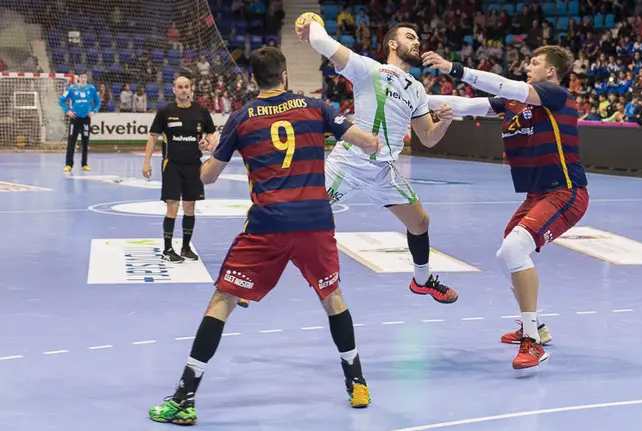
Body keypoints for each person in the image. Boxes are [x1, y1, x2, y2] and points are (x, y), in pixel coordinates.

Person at [148, 46, 382, 425]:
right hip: (314, 220)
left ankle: (184, 398)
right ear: (285, 74)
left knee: (223, 300)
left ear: (253, 79)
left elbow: (208, 177)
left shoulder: (241, 119)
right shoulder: (316, 107)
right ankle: (356, 383)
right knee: (332, 296)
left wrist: (210, 152)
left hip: (268, 224)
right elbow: (366, 140)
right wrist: (378, 138)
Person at [257, 17, 458, 309]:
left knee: (420, 222)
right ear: (393, 44)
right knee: (296, 216)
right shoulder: (369, 70)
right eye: (410, 37)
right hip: (348, 164)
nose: (417, 42)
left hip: (383, 172)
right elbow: (325, 44)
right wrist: (312, 26)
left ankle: (422, 280)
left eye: (418, 38)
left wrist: (445, 124)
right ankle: (254, 273)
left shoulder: (417, 89)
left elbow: (427, 137)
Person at [422, 45, 589, 369]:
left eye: (535, 63)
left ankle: (532, 342)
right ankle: (535, 326)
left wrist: (453, 68)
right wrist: (407, 95)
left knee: (513, 251)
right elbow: (463, 105)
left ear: (551, 72)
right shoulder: (513, 103)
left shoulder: (555, 95)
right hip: (536, 194)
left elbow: (502, 85)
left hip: (565, 192)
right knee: (506, 253)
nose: (528, 67)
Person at [142, 76, 216, 263]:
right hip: (172, 165)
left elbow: (211, 132)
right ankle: (167, 249)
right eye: (180, 87)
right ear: (174, 90)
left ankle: (185, 247)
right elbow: (153, 137)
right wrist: (146, 162)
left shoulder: (201, 111)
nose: (183, 90)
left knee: (190, 207)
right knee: (172, 206)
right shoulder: (166, 112)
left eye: (186, 87)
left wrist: (207, 141)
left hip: (194, 165)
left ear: (191, 89)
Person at [58, 73, 100, 172]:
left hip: (86, 118)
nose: (83, 79)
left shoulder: (91, 89)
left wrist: (93, 111)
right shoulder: (72, 89)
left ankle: (84, 164)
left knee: (85, 141)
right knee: (71, 141)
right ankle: (69, 165)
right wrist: (67, 111)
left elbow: (98, 102)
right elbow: (61, 100)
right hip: (75, 118)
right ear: (78, 79)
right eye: (81, 77)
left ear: (87, 79)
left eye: (85, 77)